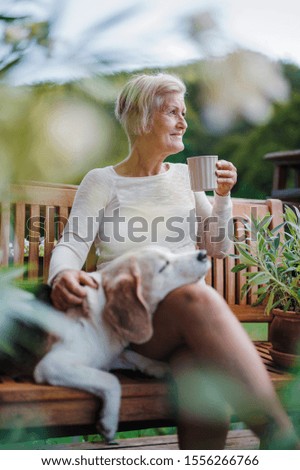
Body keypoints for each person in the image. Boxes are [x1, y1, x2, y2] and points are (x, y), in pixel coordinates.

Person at [48, 73, 298, 449]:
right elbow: (73, 242)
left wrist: (223, 197)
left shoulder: (185, 178)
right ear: (141, 119)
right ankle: (281, 438)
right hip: (127, 319)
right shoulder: (103, 181)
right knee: (193, 296)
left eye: (184, 113)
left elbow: (217, 248)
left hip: (183, 326)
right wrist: (62, 274)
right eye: (171, 112)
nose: (183, 122)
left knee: (197, 372)